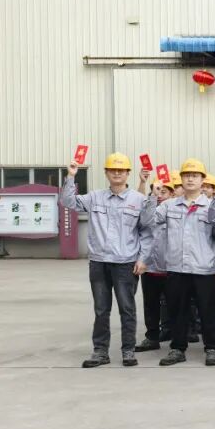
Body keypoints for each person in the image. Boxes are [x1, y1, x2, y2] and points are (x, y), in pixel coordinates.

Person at [60, 152, 154, 368]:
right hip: (99, 262)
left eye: (121, 170)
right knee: (101, 310)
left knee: (127, 309)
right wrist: (71, 176)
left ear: (128, 173)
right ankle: (100, 351)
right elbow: (67, 201)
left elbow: (147, 232)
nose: (117, 173)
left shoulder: (138, 200)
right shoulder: (95, 197)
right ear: (106, 173)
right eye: (113, 170)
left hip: (125, 263)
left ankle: (128, 350)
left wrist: (143, 259)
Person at [150, 158, 215, 367]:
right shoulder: (169, 205)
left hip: (204, 268)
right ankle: (177, 348)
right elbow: (148, 221)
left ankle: (212, 347)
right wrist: (153, 196)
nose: (190, 179)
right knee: (177, 310)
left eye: (195, 175)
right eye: (186, 175)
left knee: (208, 310)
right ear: (181, 180)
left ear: (203, 180)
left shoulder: (212, 207)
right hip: (177, 267)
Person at [134, 177, 175, 353]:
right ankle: (152, 337)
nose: (159, 195)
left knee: (174, 305)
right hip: (149, 267)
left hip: (171, 268)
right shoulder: (148, 212)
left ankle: (176, 338)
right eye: (156, 191)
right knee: (150, 305)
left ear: (172, 194)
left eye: (163, 191)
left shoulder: (176, 211)